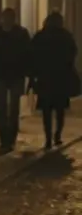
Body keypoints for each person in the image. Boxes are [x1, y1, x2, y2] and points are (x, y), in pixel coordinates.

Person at [29, 10, 79, 149]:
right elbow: (72, 53)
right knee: (59, 110)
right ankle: (57, 135)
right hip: (60, 78)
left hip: (45, 78)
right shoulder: (65, 36)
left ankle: (49, 138)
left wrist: (33, 76)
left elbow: (32, 56)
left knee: (47, 111)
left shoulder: (40, 36)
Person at [0, 7, 32, 153]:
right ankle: (4, 140)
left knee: (13, 109)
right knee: (1, 109)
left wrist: (26, 72)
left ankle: (10, 139)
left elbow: (27, 54)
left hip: (16, 76)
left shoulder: (21, 34)